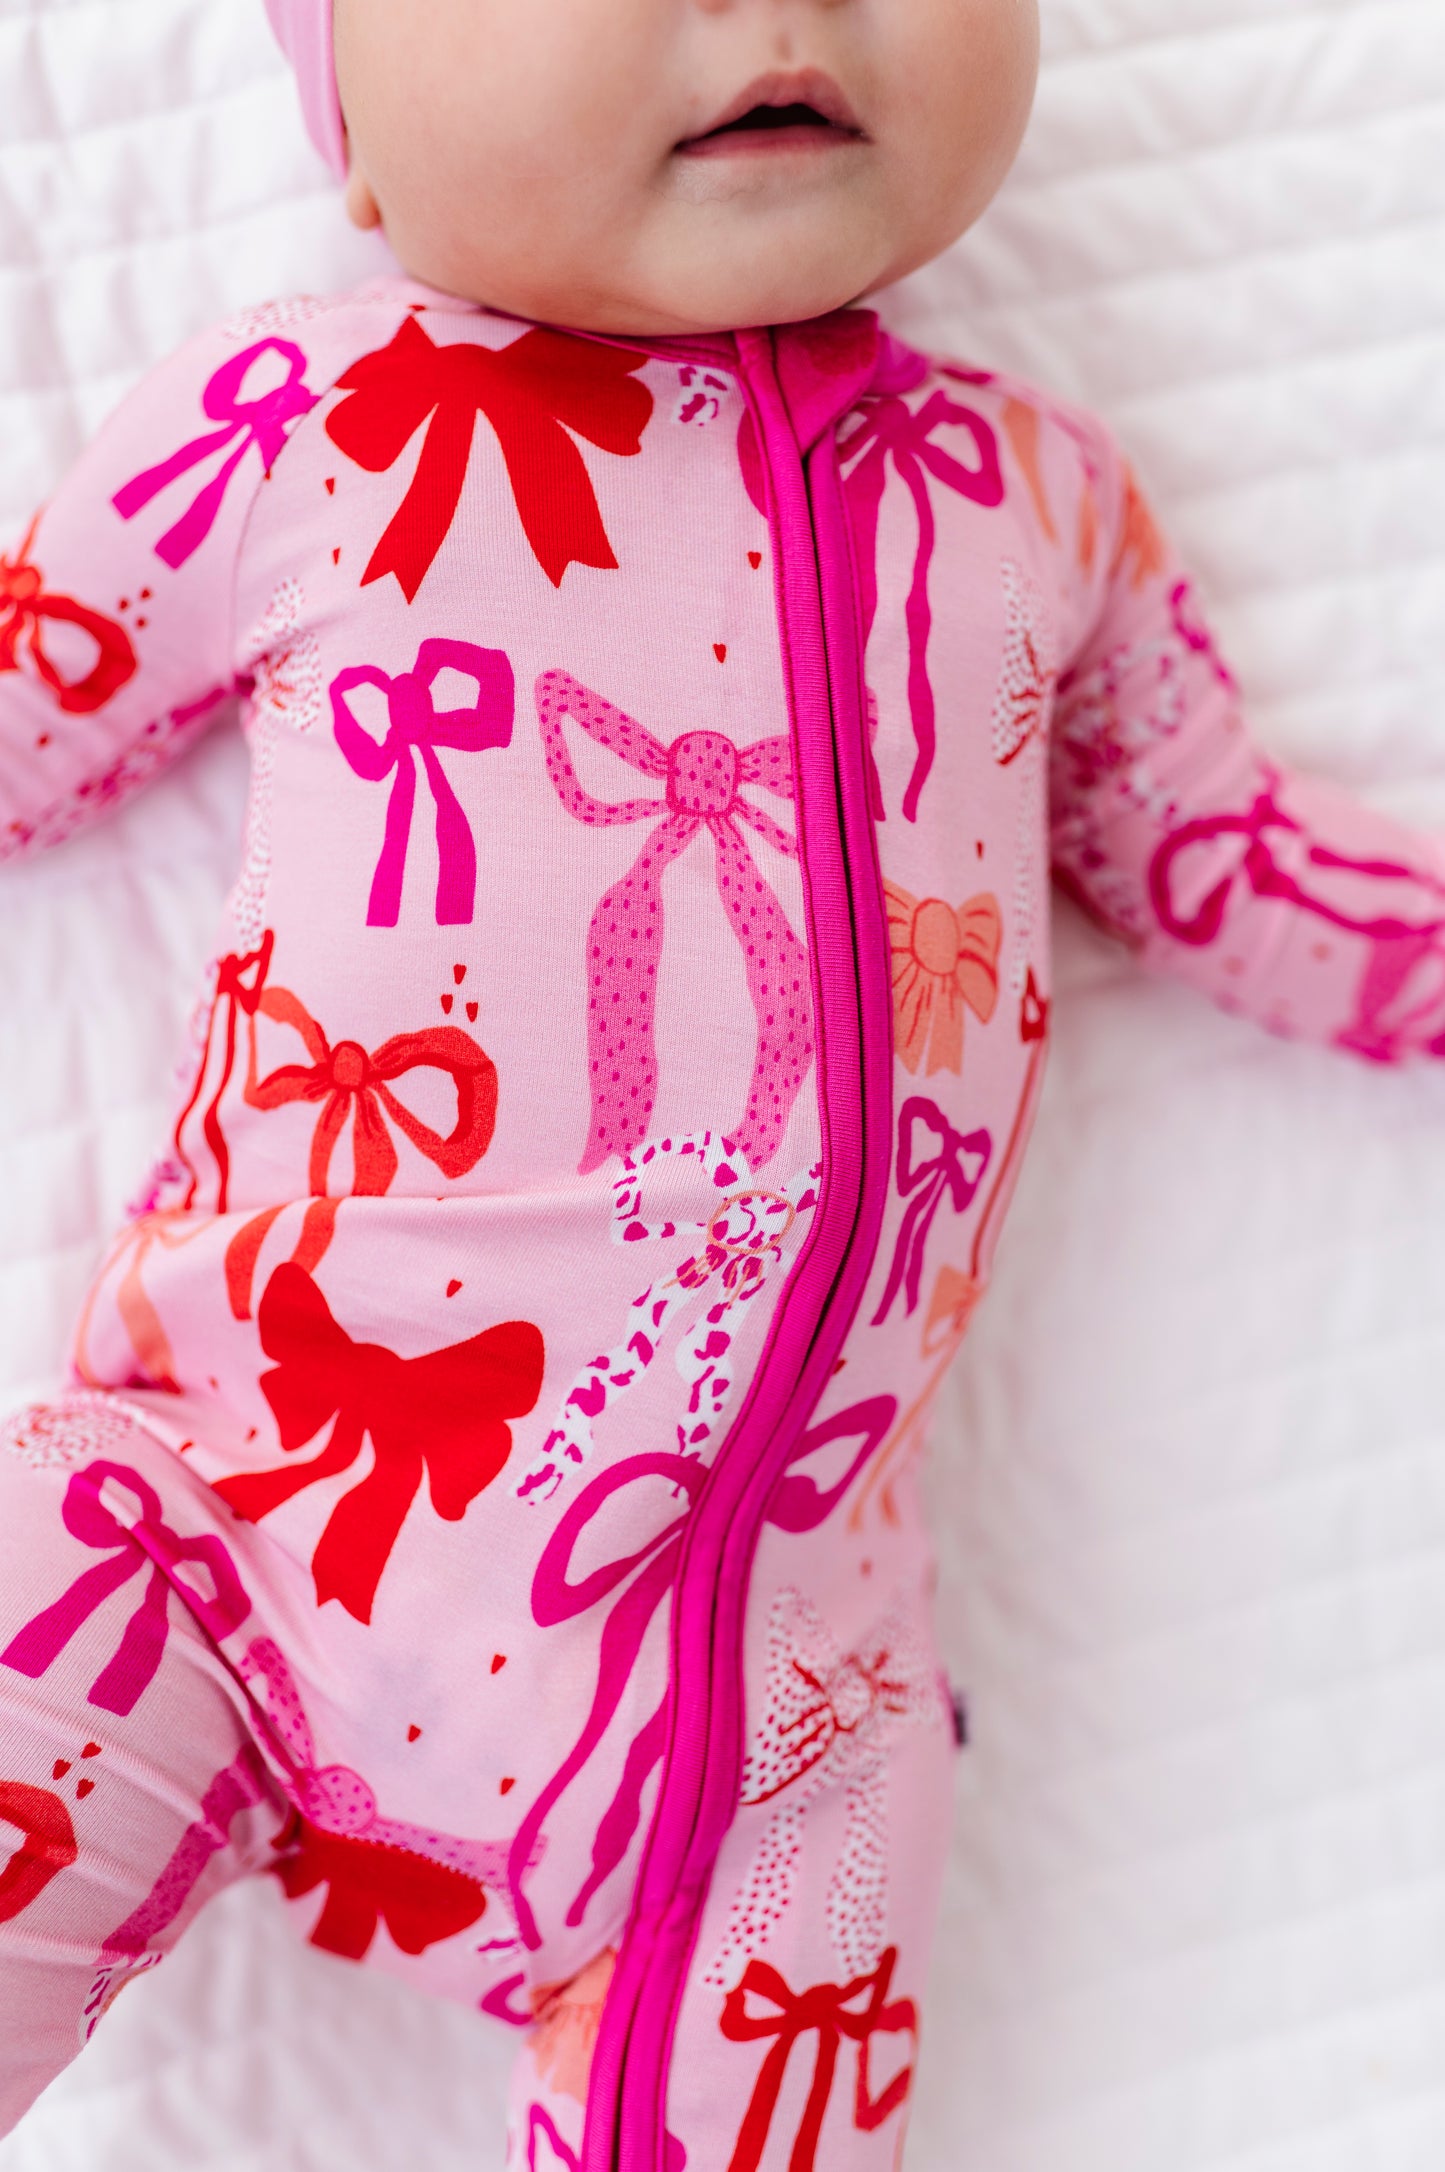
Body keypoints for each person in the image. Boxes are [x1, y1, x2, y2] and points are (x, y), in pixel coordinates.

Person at [2, 2, 1443, 2164]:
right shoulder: (307, 424)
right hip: (226, 1532)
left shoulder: (1035, 500)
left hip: (779, 1726)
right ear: (355, 133)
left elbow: (1222, 860)